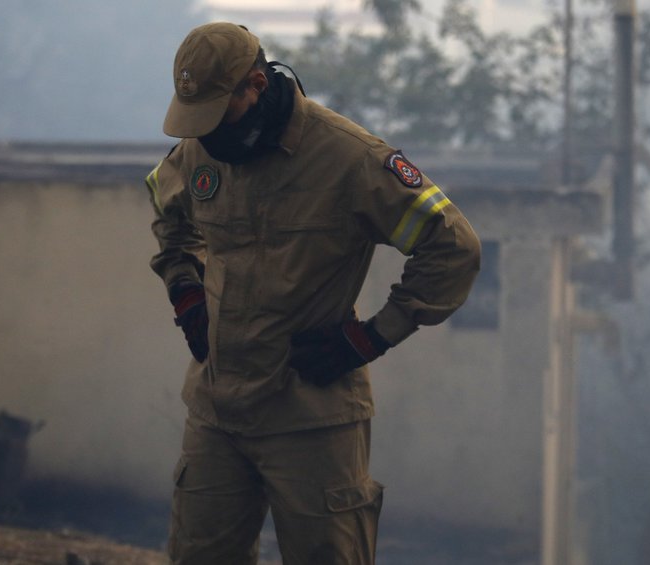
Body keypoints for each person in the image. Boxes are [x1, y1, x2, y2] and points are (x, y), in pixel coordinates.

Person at [144, 21, 481, 565]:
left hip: (311, 417)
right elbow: (167, 212)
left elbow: (454, 247)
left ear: (255, 84)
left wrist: (371, 338)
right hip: (216, 409)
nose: (204, 132)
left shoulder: (352, 160)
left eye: (216, 111)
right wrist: (185, 291)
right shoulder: (200, 150)